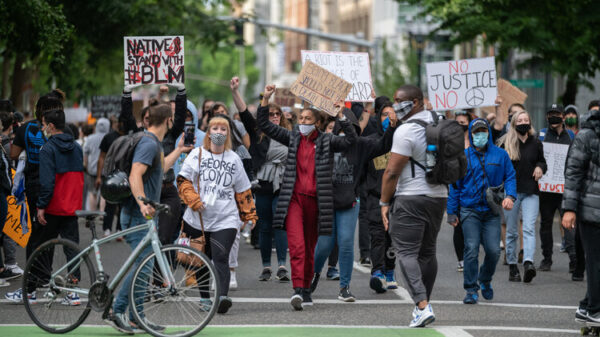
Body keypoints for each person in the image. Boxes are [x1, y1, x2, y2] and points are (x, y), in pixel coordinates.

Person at [257, 84, 357, 311]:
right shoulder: (292, 137)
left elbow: (350, 141)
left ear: (317, 123)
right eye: (300, 117)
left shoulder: (326, 141)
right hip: (293, 200)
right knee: (298, 245)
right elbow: (264, 124)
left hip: (317, 202)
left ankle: (306, 290)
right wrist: (266, 99)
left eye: (307, 118)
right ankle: (298, 290)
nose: (302, 121)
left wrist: (341, 115)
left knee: (311, 247)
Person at [310, 100, 398, 302]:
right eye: (337, 128)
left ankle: (344, 287)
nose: (341, 132)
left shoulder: (362, 145)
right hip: (326, 200)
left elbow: (384, 145)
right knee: (324, 245)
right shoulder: (325, 142)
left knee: (347, 242)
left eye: (347, 128)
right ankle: (312, 276)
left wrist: (392, 128)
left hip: (349, 200)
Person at [380, 85, 448, 328]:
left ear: (417, 102)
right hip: (439, 195)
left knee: (406, 252)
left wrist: (384, 202)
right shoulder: (439, 121)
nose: (397, 105)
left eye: (402, 101)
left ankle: (421, 304)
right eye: (396, 100)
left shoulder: (406, 130)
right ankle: (423, 304)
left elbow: (391, 172)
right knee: (428, 252)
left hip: (411, 196)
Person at [177, 116, 258, 314]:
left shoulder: (234, 158)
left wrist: (250, 215)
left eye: (223, 129)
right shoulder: (197, 154)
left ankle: (221, 297)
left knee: (221, 256)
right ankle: (205, 298)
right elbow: (183, 180)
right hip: (197, 219)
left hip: (226, 218)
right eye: (215, 128)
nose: (219, 132)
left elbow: (243, 191)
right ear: (208, 132)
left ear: (228, 134)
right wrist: (193, 199)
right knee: (200, 259)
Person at [107, 104, 172, 334]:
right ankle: (118, 310)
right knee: (143, 267)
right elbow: (136, 173)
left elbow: (160, 169)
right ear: (168, 121)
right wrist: (143, 203)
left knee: (145, 265)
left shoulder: (154, 144)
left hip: (144, 215)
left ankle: (137, 318)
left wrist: (181, 149)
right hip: (138, 215)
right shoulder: (148, 143)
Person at [447, 118, 517, 304]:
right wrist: (452, 211)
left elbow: (510, 176)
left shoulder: (501, 155)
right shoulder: (463, 156)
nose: (480, 135)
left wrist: (510, 196)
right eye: (476, 132)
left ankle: (485, 280)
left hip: (491, 210)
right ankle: (471, 289)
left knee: (494, 251)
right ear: (471, 134)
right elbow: (455, 186)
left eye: (483, 131)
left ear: (488, 133)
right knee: (470, 249)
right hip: (469, 210)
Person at [232, 77, 291, 282]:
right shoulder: (258, 132)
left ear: (282, 117)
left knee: (280, 222)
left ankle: (282, 264)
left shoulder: (289, 134)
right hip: (263, 184)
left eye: (277, 114)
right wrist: (235, 91)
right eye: (271, 114)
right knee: (264, 225)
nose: (274, 117)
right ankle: (266, 266)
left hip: (283, 183)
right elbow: (244, 114)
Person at [5, 93, 60, 303]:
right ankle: (45, 276)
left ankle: (30, 283)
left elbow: (13, 154)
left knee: (36, 234)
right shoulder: (62, 129)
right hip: (55, 184)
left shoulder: (26, 128)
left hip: (34, 184)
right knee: (50, 231)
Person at [33, 108, 84, 306]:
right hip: (72, 205)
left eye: (44, 124)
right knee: (72, 248)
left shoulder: (47, 149)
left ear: (51, 126)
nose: (42, 127)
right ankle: (73, 291)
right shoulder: (77, 147)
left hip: (53, 206)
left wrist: (41, 206)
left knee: (44, 247)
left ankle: (38, 286)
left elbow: (46, 182)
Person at [497, 110, 546, 283]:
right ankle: (512, 265)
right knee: (511, 232)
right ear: (514, 123)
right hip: (512, 193)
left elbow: (542, 161)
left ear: (530, 122)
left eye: (526, 119)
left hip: (531, 191)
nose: (523, 122)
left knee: (529, 228)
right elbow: (498, 168)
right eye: (520, 120)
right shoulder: (506, 143)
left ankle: (528, 263)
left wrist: (540, 167)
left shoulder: (536, 143)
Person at [562, 107, 600, 324]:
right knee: (595, 262)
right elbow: (573, 173)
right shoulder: (586, 136)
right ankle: (595, 310)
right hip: (590, 210)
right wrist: (569, 209)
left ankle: (586, 306)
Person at [363, 96, 399, 292]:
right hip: (375, 196)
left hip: (397, 199)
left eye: (392, 115)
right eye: (385, 114)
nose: (388, 118)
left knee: (392, 238)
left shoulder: (402, 141)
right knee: (377, 236)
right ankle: (377, 272)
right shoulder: (371, 142)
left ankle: (390, 270)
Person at [537, 104, 576, 273]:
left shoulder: (571, 136)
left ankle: (574, 259)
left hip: (565, 188)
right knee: (545, 224)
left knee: (568, 224)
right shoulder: (541, 136)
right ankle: (547, 259)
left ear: (563, 117)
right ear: (547, 117)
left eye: (557, 114)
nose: (554, 117)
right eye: (551, 114)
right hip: (546, 189)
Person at [452, 110, 473, 272]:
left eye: (463, 122)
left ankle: (471, 255)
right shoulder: (451, 141)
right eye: (457, 122)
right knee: (458, 224)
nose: (460, 125)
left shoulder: (476, 141)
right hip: (457, 186)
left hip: (474, 187)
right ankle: (461, 260)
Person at [83, 118, 109, 213]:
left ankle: (92, 214)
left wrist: (86, 166)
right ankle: (102, 213)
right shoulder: (109, 137)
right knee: (104, 194)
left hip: (92, 170)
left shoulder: (90, 138)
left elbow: (85, 154)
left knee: (92, 193)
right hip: (105, 170)